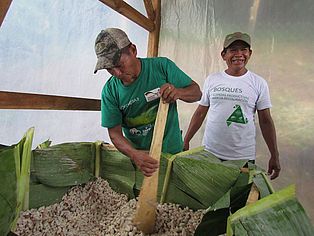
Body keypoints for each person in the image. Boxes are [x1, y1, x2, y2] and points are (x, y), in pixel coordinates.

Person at [94, 28, 202, 177]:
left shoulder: (162, 67)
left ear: (133, 50)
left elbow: (197, 93)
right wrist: (134, 154)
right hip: (142, 160)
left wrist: (179, 92)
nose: (117, 74)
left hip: (172, 155)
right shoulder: (110, 91)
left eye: (119, 65)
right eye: (109, 69)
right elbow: (114, 134)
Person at [183, 32, 281, 180]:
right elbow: (200, 113)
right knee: (209, 195)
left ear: (250, 53)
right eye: (233, 50)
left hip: (242, 157)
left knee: (238, 201)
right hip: (210, 154)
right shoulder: (212, 80)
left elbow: (265, 120)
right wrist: (186, 140)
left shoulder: (258, 83)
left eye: (244, 50)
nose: (239, 54)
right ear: (223, 55)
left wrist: (274, 155)